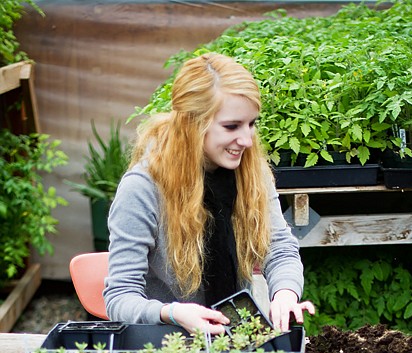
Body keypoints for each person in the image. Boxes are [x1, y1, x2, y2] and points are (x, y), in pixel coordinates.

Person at [104, 52, 315, 333]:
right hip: (169, 344)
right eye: (231, 126)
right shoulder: (143, 189)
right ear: (193, 124)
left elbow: (278, 248)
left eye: (251, 124)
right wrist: (173, 313)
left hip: (237, 337)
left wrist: (284, 293)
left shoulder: (251, 172)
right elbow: (120, 297)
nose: (247, 140)